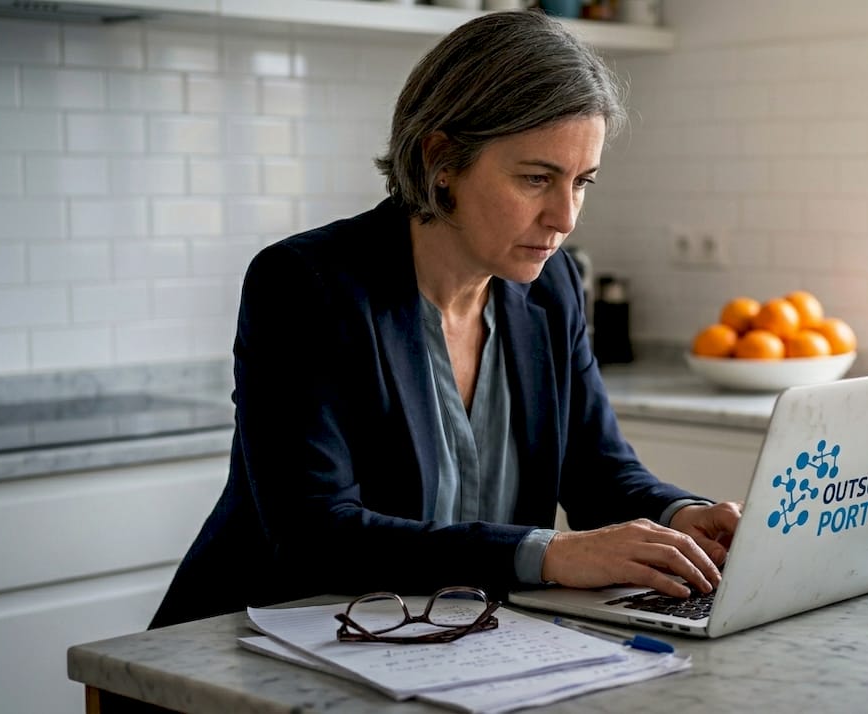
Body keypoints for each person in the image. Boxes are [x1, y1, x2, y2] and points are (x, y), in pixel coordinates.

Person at [150, 10, 741, 629]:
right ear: (442, 161)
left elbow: (598, 471)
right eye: (537, 178)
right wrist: (550, 555)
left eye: (581, 182)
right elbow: (315, 535)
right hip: (258, 639)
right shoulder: (307, 284)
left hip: (442, 639)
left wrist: (683, 516)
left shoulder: (554, 287)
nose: (564, 217)